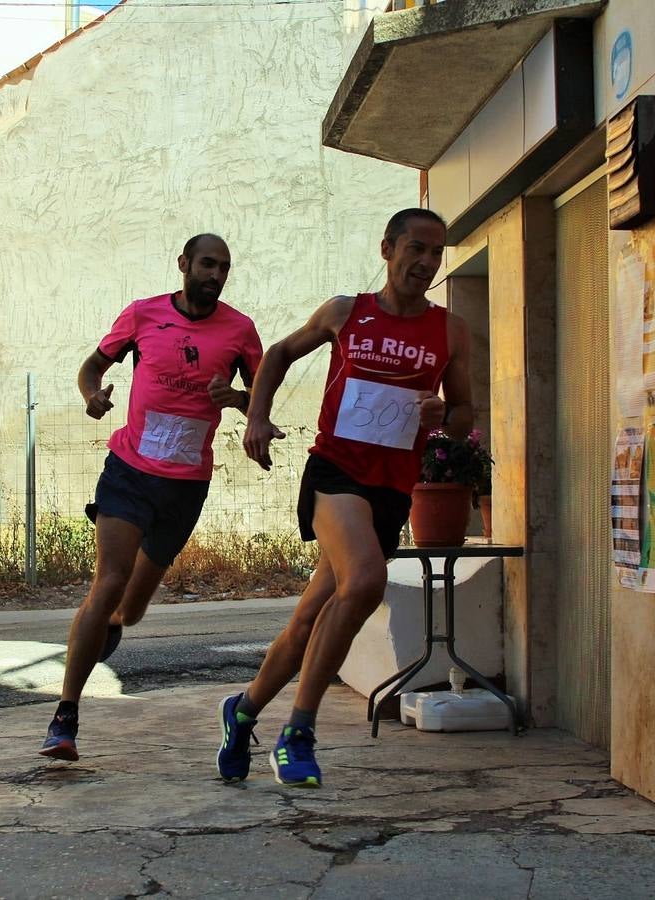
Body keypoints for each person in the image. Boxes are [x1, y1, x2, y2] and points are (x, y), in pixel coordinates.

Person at [216, 208, 473, 787]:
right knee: (364, 582)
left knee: (309, 620)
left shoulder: (450, 331)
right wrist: (256, 416)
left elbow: (463, 415)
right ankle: (299, 732)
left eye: (437, 254)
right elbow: (278, 354)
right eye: (417, 249)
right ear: (387, 248)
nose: (427, 263)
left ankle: (244, 710)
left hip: (390, 488)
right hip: (335, 473)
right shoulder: (346, 312)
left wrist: (444, 417)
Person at [40, 233, 265, 762]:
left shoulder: (240, 331)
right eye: (207, 264)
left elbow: (261, 394)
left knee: (133, 607)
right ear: (184, 264)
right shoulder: (142, 316)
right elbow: (92, 366)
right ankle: (65, 716)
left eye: (224, 267)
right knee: (109, 580)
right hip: (130, 471)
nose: (216, 275)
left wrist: (239, 399)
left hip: (186, 485)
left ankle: (112, 625)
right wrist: (92, 395)